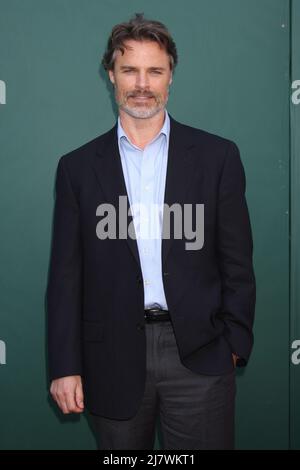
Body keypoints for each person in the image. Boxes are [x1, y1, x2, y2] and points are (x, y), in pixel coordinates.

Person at [46, 13, 256, 450]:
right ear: (111, 75)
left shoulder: (218, 157)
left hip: (200, 355)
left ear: (170, 76)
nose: (142, 83)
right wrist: (65, 365)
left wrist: (233, 342)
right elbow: (65, 276)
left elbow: (237, 261)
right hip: (111, 359)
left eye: (154, 71)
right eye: (130, 70)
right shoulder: (77, 169)